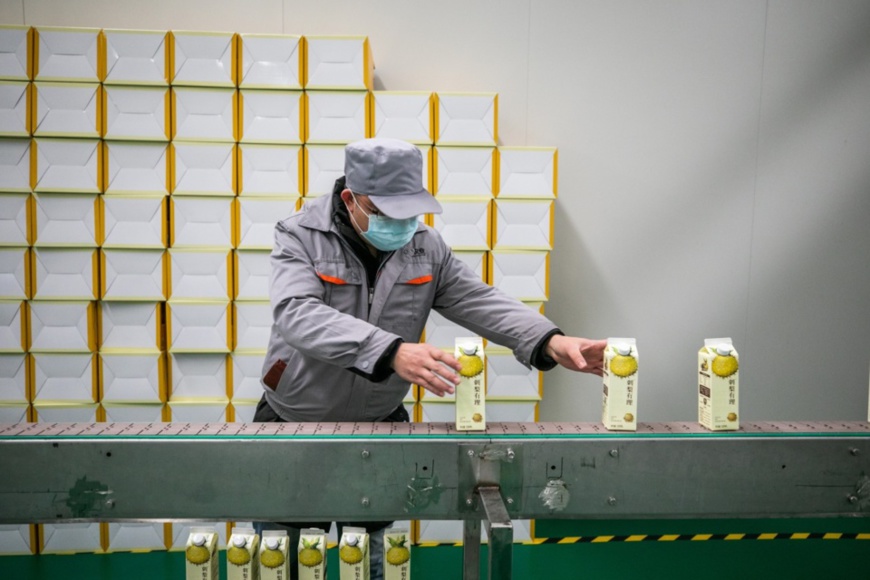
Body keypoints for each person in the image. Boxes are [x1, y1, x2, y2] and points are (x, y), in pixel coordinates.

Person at [254, 137, 606, 579]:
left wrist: (550, 339)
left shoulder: (426, 247)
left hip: (377, 427)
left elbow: (476, 299)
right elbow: (297, 314)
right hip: (295, 422)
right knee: (283, 560)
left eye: (410, 211)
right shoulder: (299, 235)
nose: (403, 225)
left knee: (366, 560)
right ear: (351, 199)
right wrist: (390, 350)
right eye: (388, 213)